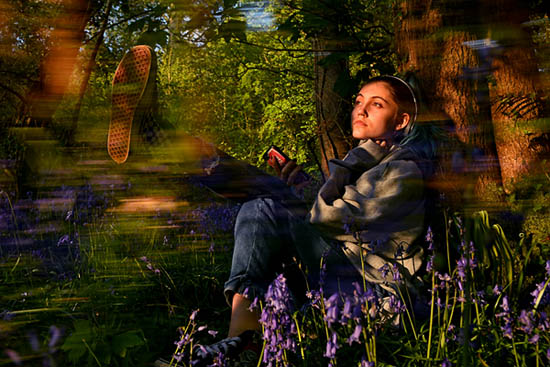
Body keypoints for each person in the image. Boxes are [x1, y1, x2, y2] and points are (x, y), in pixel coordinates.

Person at [108, 46, 433, 367]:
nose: (360, 110)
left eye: (375, 105)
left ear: (401, 120)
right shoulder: (363, 162)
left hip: (371, 293)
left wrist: (303, 192)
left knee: (264, 204)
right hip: (336, 275)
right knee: (262, 200)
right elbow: (333, 214)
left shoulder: (403, 170)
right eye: (358, 101)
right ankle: (159, 136)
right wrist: (302, 187)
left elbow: (334, 219)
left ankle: (243, 345)